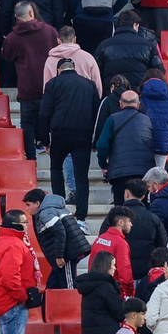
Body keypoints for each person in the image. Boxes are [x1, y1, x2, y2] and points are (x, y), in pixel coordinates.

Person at [38, 57, 99, 221]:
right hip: (83, 135)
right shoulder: (89, 84)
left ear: (59, 70)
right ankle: (81, 218)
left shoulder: (52, 84)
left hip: (60, 134)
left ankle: (60, 210)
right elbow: (96, 113)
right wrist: (95, 139)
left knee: (56, 168)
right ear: (74, 68)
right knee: (81, 176)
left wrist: (44, 140)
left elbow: (44, 114)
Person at [2, 1, 59, 160]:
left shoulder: (13, 37)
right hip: (48, 86)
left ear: (16, 17)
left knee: (26, 123)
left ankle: (31, 158)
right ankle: (50, 149)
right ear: (32, 13)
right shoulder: (49, 31)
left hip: (27, 88)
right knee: (49, 118)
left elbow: (6, 56)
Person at [0, 210, 39, 334]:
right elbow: (10, 278)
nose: (27, 225)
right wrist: (22, 296)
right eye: (25, 222)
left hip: (3, 300)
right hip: (11, 303)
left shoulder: (5, 241)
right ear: (17, 225)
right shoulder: (13, 245)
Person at [96, 91, 154, 207]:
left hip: (119, 172)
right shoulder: (147, 120)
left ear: (121, 104)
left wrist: (103, 165)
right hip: (143, 171)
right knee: (141, 207)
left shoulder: (112, 119)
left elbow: (101, 145)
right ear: (138, 104)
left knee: (121, 209)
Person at [23, 189, 89, 290]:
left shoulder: (45, 213)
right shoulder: (54, 207)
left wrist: (59, 256)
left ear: (37, 203)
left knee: (68, 287)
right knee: (52, 285)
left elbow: (60, 231)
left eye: (28, 204)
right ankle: (47, 305)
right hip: (68, 251)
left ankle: (71, 305)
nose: (26, 208)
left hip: (67, 255)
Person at [107, 183, 165, 289]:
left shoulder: (113, 217)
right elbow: (162, 244)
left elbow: (104, 240)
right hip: (145, 271)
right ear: (143, 196)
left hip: (118, 273)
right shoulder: (153, 218)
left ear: (127, 193)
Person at [77, 252, 126, 334]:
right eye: (113, 265)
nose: (115, 268)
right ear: (106, 265)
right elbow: (120, 312)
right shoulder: (105, 287)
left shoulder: (89, 286)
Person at [95, 10, 164, 89]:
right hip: (139, 94)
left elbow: (96, 74)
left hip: (113, 95)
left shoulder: (103, 46)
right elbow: (159, 72)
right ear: (135, 25)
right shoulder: (148, 46)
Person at [138, 77, 168, 171]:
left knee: (143, 176)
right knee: (159, 176)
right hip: (164, 142)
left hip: (143, 143)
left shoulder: (140, 97)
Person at [90, 206, 136, 296]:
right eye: (129, 221)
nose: (131, 224)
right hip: (113, 291)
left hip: (96, 289)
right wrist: (129, 293)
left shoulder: (99, 239)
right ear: (121, 222)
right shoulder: (121, 243)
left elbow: (91, 264)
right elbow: (125, 271)